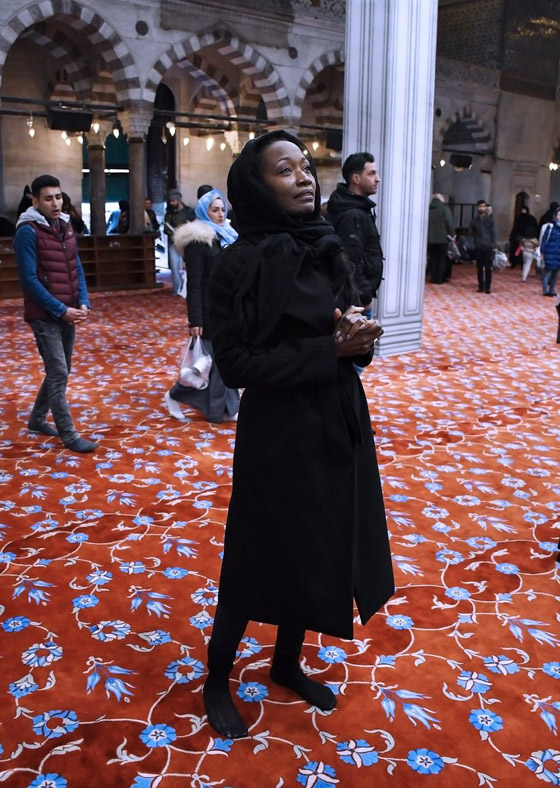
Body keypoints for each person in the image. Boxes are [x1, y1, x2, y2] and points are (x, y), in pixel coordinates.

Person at [203, 130, 394, 739]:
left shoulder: (324, 243)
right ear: (257, 186)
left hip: (336, 415)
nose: (304, 177)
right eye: (285, 170)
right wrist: (326, 351)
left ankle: (286, 663)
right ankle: (217, 677)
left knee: (316, 545)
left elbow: (341, 328)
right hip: (279, 429)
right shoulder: (237, 262)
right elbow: (236, 363)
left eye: (306, 167)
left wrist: (355, 339)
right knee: (257, 550)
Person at [13, 174, 97, 453]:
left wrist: (83, 300)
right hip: (44, 314)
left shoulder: (65, 224)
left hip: (68, 309)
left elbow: (76, 266)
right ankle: (69, 435)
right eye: (48, 199)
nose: (55, 203)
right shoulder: (27, 231)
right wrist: (61, 311)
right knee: (59, 371)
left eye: (58, 197)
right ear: (35, 202)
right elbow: (28, 280)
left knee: (60, 370)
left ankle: (37, 418)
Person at [164, 189, 240, 423]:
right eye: (214, 210)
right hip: (208, 311)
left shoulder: (226, 236)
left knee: (226, 359)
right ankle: (175, 395)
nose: (220, 214)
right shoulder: (198, 241)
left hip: (227, 309)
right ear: (204, 211)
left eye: (222, 209)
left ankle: (227, 408)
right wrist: (195, 319)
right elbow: (194, 284)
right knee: (209, 362)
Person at [326, 151, 384, 319]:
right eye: (371, 173)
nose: (378, 179)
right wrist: (364, 298)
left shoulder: (356, 208)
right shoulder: (352, 215)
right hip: (355, 302)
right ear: (356, 179)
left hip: (354, 298)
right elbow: (350, 262)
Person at [164, 189, 192, 295]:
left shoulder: (188, 211)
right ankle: (177, 289)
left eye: (173, 201)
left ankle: (187, 288)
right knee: (174, 266)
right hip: (173, 242)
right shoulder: (169, 213)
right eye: (170, 201)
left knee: (190, 266)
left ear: (178, 200)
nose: (171, 203)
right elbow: (166, 227)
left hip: (186, 242)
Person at [469, 199, 497, 294]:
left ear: (486, 208)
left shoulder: (490, 220)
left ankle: (488, 287)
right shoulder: (474, 221)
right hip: (478, 246)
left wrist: (494, 246)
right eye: (480, 206)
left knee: (488, 268)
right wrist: (472, 245)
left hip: (488, 246)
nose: (482, 208)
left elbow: (493, 233)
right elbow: (471, 234)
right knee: (479, 268)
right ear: (477, 208)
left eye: (483, 206)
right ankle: (481, 286)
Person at [427, 193, 455, 284]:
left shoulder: (428, 209)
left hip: (431, 239)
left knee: (433, 258)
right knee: (442, 259)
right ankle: (439, 278)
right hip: (443, 238)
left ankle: (433, 278)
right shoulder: (444, 209)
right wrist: (452, 234)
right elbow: (449, 223)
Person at [539, 206, 560, 297]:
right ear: (556, 216)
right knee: (548, 272)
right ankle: (545, 290)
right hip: (550, 253)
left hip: (558, 254)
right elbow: (544, 239)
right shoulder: (550, 227)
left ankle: (551, 290)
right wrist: (542, 251)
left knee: (555, 274)